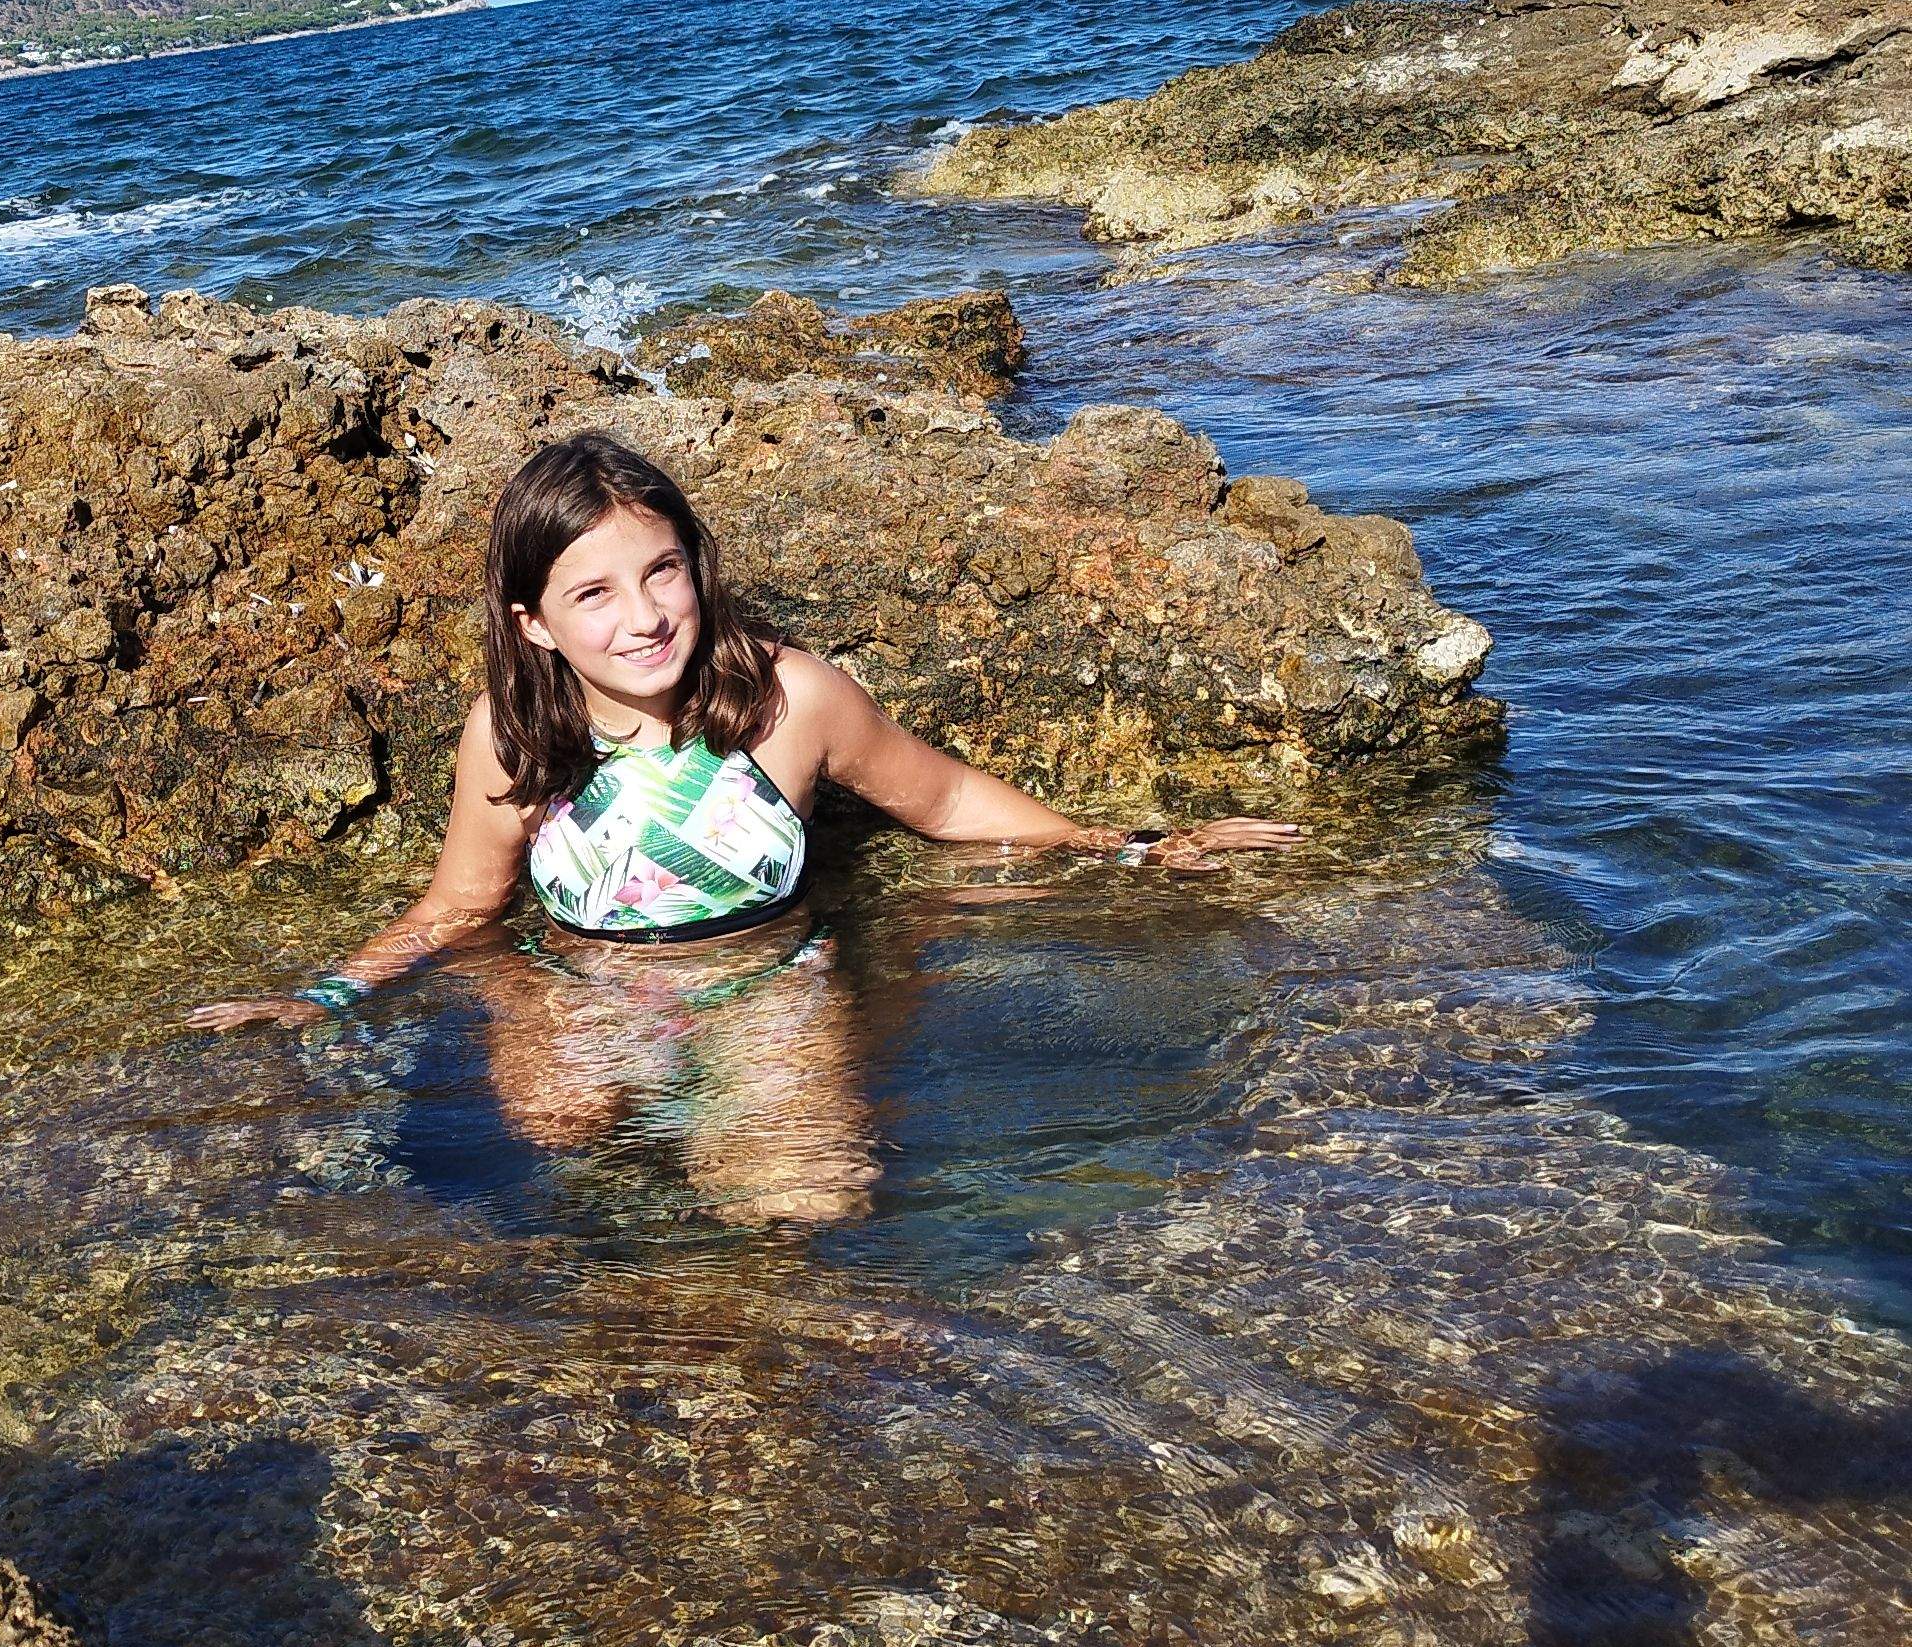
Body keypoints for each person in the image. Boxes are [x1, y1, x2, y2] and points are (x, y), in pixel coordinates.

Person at [190, 427, 1296, 1224]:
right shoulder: (512, 733)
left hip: (762, 980)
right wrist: (325, 996)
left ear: (695, 567)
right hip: (583, 983)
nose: (644, 616)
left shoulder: (788, 701)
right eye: (594, 595)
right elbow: (461, 903)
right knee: (559, 1130)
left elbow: (946, 800)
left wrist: (1133, 847)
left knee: (807, 1200)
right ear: (534, 625)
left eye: (661, 571)